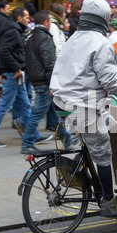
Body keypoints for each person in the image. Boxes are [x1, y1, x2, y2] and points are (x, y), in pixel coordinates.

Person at [50, 0, 117, 219]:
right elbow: (109, 80)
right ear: (104, 19)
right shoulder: (100, 42)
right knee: (103, 152)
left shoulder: (73, 38)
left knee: (103, 129)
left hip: (62, 103)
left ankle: (81, 169)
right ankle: (109, 202)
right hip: (82, 105)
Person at [21, 10, 78, 154]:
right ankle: (27, 143)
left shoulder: (32, 37)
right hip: (45, 82)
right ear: (46, 22)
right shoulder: (45, 38)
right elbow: (50, 63)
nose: (51, 24)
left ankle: (67, 141)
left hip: (37, 79)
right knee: (38, 113)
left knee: (55, 113)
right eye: (50, 21)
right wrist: (53, 84)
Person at [0, 7, 34, 147]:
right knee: (4, 106)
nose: (28, 20)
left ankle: (32, 134)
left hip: (16, 73)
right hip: (13, 73)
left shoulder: (14, 30)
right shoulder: (13, 31)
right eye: (27, 17)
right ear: (19, 18)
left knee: (25, 103)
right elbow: (4, 52)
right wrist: (16, 67)